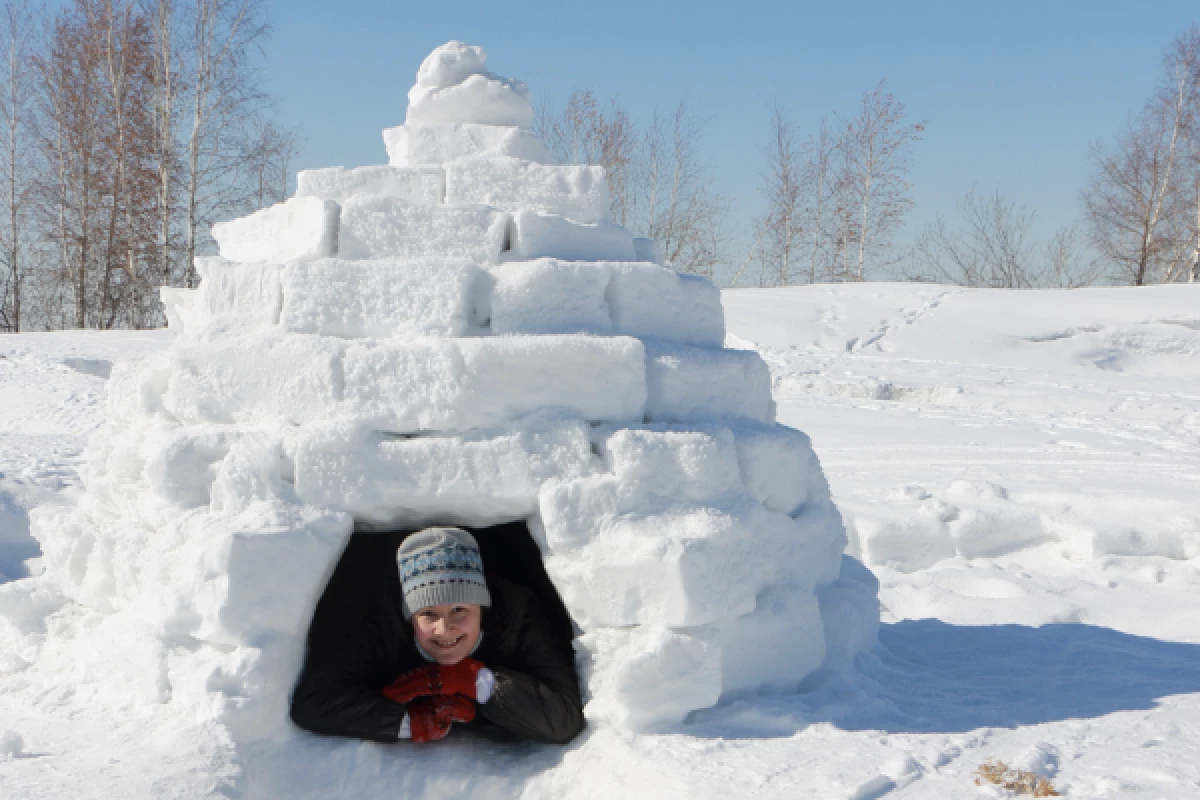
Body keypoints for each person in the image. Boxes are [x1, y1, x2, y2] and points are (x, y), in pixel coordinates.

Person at [290, 527, 584, 745]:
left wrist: (479, 683)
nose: (444, 629)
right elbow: (315, 701)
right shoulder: (382, 628)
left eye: (459, 609)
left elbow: (562, 719)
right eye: (428, 614)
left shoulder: (519, 619)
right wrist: (408, 720)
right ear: (409, 616)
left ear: (481, 605)